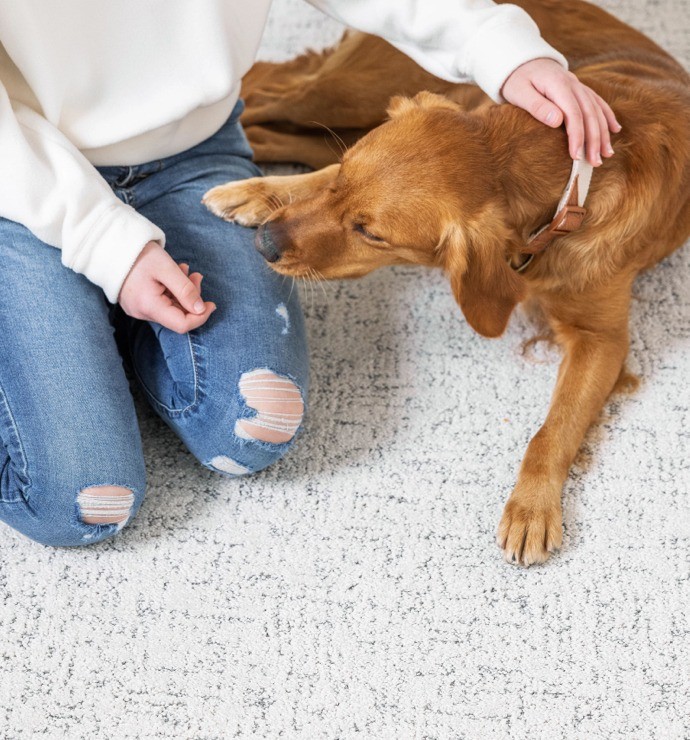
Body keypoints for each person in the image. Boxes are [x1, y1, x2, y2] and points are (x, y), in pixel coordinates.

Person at [0, 0, 619, 547]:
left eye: (366, 229)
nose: (279, 232)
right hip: (17, 178)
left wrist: (501, 49)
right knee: (80, 506)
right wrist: (108, 248)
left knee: (252, 432)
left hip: (187, 150)